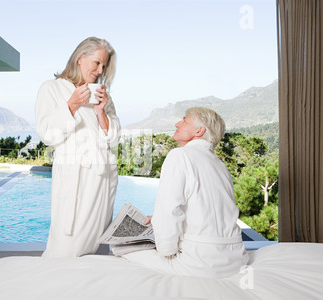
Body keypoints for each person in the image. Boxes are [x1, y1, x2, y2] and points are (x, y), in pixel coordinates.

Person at [124, 107, 249, 278]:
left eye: (184, 120)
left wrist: (164, 250)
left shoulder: (179, 156)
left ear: (199, 130)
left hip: (202, 263)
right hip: (236, 259)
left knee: (124, 249)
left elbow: (169, 210)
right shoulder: (220, 165)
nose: (177, 123)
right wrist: (158, 221)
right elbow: (210, 211)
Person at [35, 37, 121, 258]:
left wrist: (101, 111)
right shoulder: (52, 88)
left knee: (99, 247)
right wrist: (72, 104)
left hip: (101, 179)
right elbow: (47, 133)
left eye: (104, 65)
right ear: (81, 59)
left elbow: (113, 138)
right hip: (75, 177)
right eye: (97, 63)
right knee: (67, 247)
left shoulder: (102, 94)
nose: (100, 70)